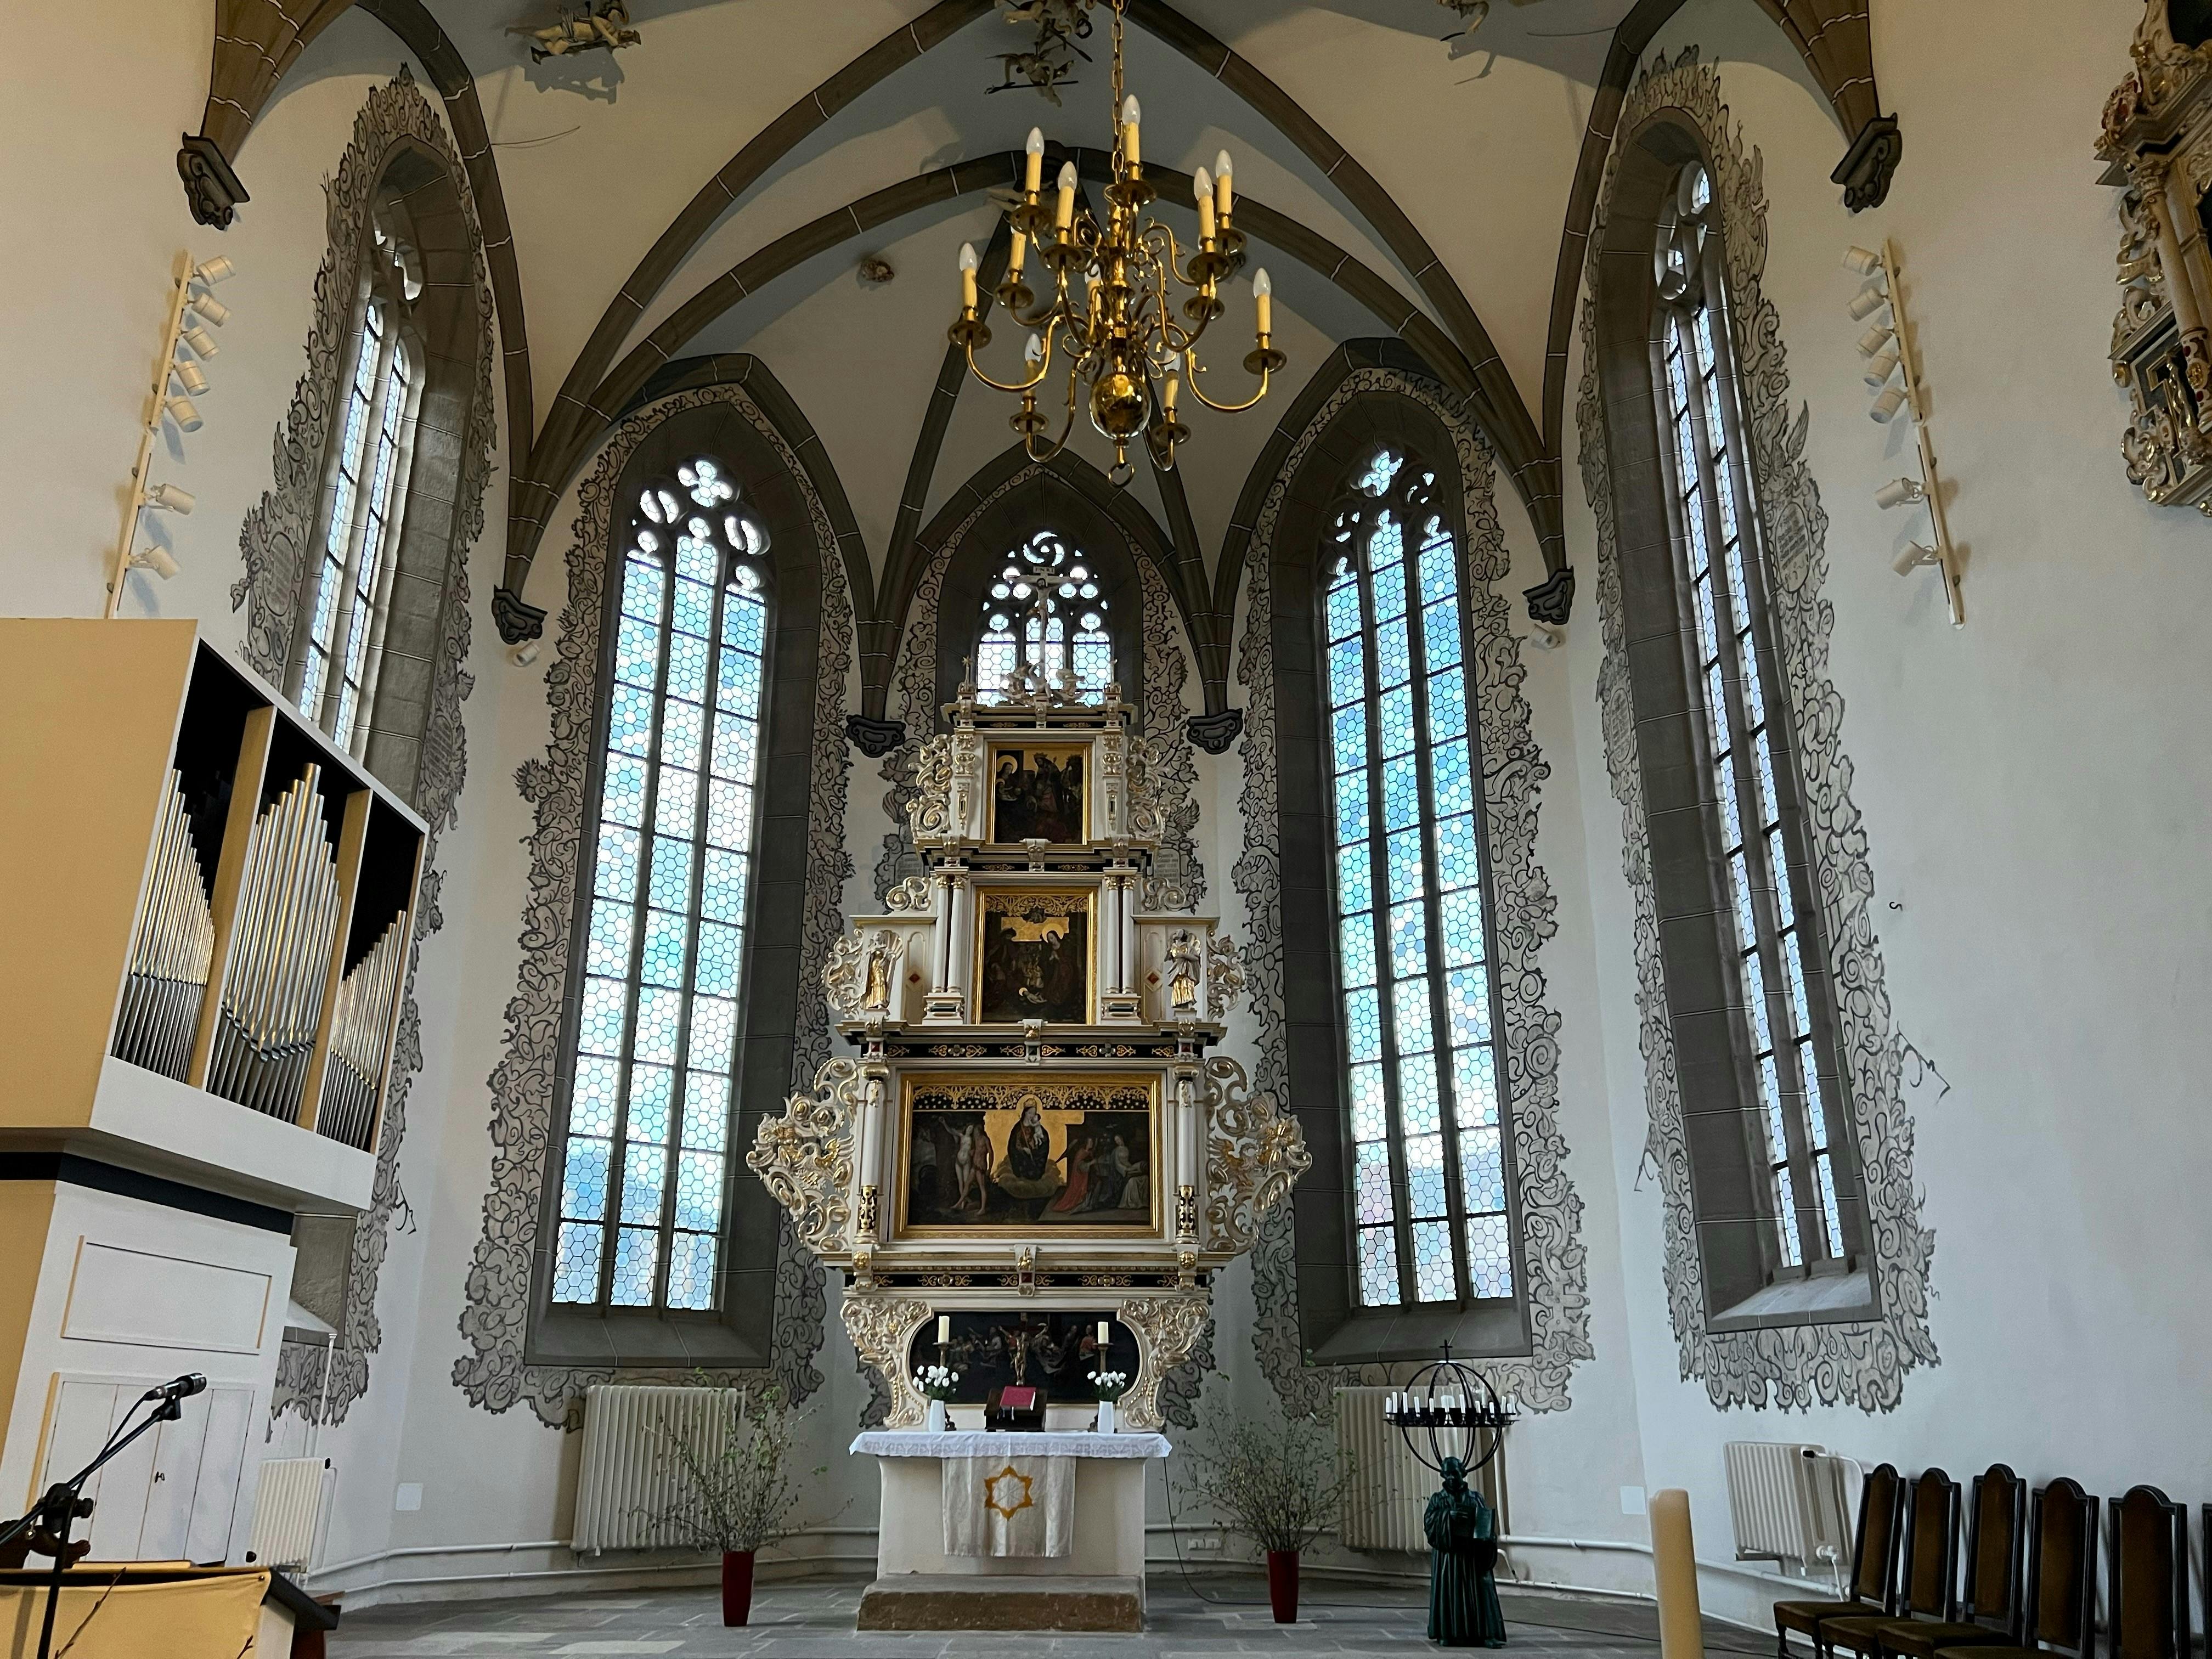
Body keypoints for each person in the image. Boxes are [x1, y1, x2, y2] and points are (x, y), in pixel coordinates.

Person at [1423, 1457, 1506, 1647]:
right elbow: (1430, 1524)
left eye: (1455, 1473)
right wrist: (1447, 1517)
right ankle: (1447, 1632)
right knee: (1449, 1593)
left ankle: (1486, 1634)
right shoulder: (1438, 1499)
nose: (1451, 1478)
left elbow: (1485, 1523)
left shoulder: (1475, 1498)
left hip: (1472, 1555)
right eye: (1447, 1474)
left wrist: (1487, 1538)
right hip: (1449, 1557)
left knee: (1480, 1593)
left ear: (1463, 1473)